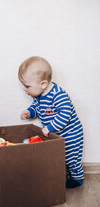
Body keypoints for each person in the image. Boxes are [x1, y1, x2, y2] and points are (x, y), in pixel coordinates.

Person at [18, 56, 84, 188]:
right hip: (57, 134)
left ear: (43, 84)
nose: (25, 90)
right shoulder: (40, 96)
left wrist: (50, 128)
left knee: (71, 158)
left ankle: (77, 177)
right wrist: (30, 112)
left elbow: (65, 114)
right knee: (56, 156)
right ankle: (62, 174)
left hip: (71, 133)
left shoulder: (59, 95)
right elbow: (37, 107)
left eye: (27, 86)